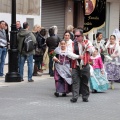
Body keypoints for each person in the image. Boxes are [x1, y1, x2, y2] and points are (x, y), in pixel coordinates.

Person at [70, 29, 91, 103]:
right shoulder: (72, 43)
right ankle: (75, 97)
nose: (76, 37)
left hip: (85, 65)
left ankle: (85, 96)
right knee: (75, 81)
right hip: (75, 66)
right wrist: (77, 56)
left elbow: (92, 50)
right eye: (75, 36)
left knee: (85, 82)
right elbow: (69, 54)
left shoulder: (87, 42)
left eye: (78, 36)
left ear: (82, 36)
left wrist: (84, 46)